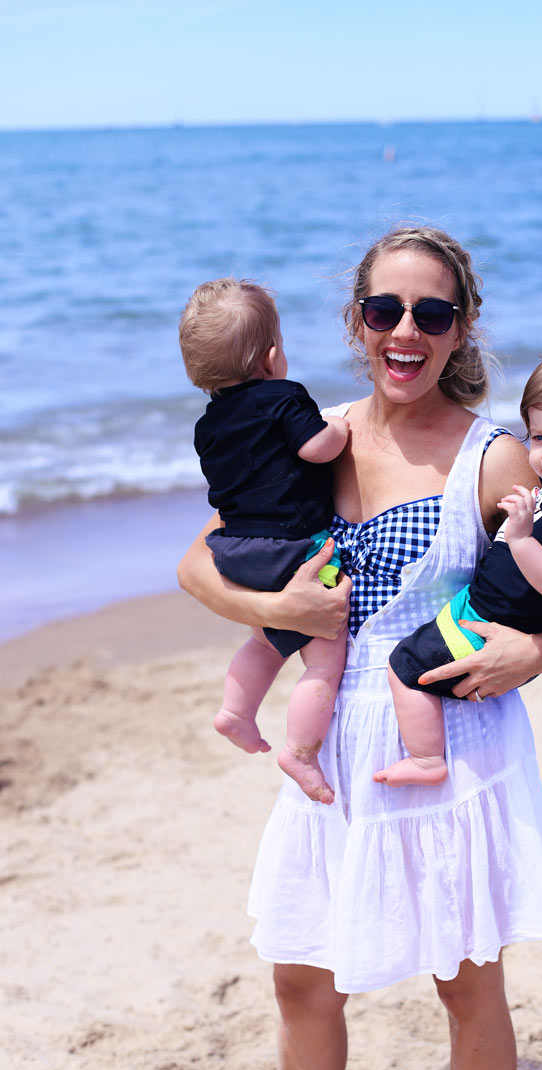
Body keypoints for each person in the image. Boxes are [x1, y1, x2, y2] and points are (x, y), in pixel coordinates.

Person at [178, 227, 542, 1070]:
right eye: (384, 311)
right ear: (356, 322)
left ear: (461, 330)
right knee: (297, 967)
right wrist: (275, 610)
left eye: (431, 312)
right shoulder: (311, 436)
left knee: (463, 980)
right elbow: (196, 563)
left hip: (451, 744)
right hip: (333, 739)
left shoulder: (494, 459)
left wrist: (530, 653)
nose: (405, 331)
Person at [376, 342, 542, 787]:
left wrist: (518, 539)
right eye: (537, 437)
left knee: (404, 667)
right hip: (479, 610)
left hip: (488, 630)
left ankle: (425, 759)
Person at [180, 277, 349, 805]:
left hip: (235, 553)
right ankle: (300, 751)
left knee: (264, 641)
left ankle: (236, 711)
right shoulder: (283, 396)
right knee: (324, 658)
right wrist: (340, 429)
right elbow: (318, 448)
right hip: (293, 548)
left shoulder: (207, 426)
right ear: (273, 356)